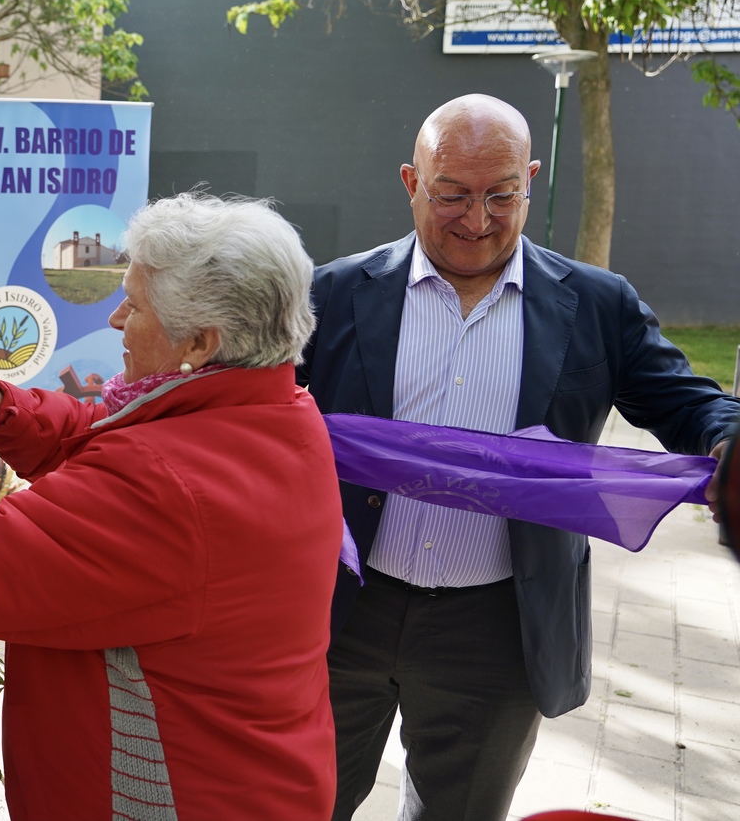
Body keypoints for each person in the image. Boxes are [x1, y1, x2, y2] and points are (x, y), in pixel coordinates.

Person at [298, 92, 740, 821]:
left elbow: (688, 402)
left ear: (531, 178)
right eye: (453, 196)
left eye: (502, 195)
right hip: (343, 612)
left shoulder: (598, 305)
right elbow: (245, 406)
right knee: (301, 803)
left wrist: (729, 439)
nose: (477, 221)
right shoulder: (335, 293)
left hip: (498, 629)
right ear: (411, 183)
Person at [0, 192, 346, 820]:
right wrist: (4, 406)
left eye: (133, 305)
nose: (114, 320)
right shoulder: (275, 415)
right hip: (255, 778)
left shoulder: (167, 485)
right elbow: (115, 437)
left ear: (200, 340)